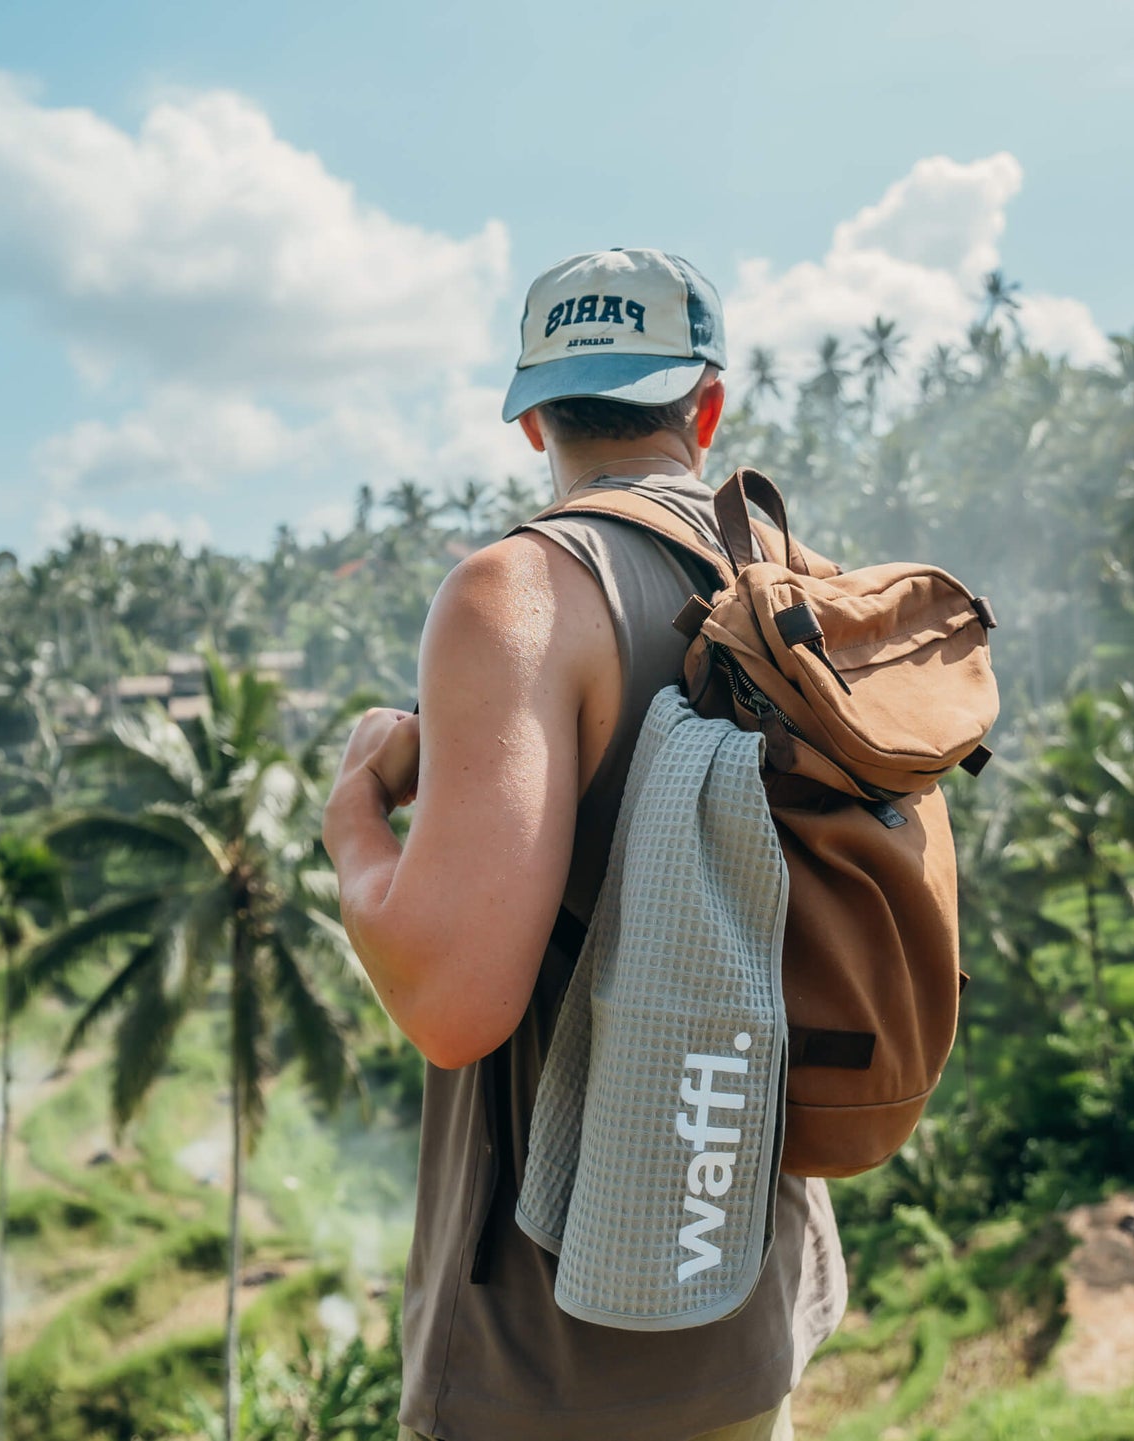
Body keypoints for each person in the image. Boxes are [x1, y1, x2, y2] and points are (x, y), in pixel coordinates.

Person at [323, 249, 847, 1441]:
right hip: (747, 1293)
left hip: (552, 1351)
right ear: (704, 407)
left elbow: (455, 1003)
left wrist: (355, 821)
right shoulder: (787, 590)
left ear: (532, 421)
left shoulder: (514, 594)